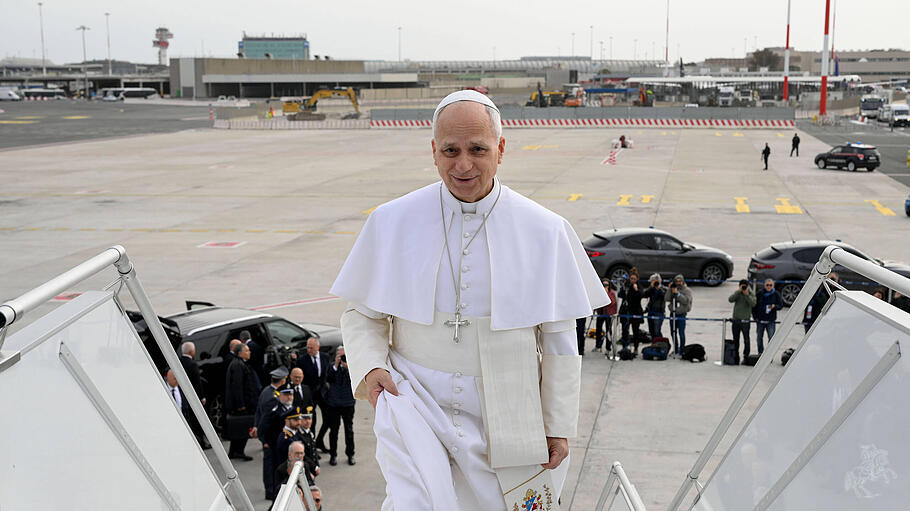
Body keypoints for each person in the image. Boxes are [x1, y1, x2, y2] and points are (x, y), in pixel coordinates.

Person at [330, 90, 608, 509]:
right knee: (415, 502)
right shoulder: (391, 220)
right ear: (434, 152)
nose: (463, 164)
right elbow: (362, 314)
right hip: (415, 395)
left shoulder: (545, 230)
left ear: (500, 149)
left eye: (477, 149)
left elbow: (559, 341)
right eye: (450, 150)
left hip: (512, 402)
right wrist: (371, 369)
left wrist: (557, 423)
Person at [256, 367, 289, 500]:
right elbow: (265, 421)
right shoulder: (272, 397)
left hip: (270, 437)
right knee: (270, 465)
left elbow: (258, 412)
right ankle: (270, 491)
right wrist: (264, 440)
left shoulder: (266, 391)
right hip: (270, 438)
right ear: (282, 381)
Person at [225, 342, 260, 461]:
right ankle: (238, 451)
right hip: (241, 404)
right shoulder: (238, 365)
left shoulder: (239, 364)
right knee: (242, 428)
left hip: (243, 402)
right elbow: (237, 386)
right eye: (247, 351)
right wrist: (241, 405)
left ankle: (234, 451)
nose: (249, 352)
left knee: (238, 427)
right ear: (240, 353)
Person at [297, 337, 330, 451]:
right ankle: (312, 446)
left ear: (318, 347)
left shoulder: (325, 357)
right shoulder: (302, 360)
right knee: (311, 422)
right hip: (310, 395)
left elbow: (326, 375)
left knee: (328, 419)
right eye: (308, 347)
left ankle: (319, 440)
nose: (309, 350)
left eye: (311, 348)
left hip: (322, 394)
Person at [325, 347, 356, 466]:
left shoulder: (352, 366)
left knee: (349, 430)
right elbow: (328, 379)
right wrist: (336, 366)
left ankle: (350, 454)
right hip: (334, 404)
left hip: (348, 403)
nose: (342, 357)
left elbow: (356, 381)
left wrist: (348, 367)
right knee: (334, 431)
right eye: (340, 355)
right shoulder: (332, 366)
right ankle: (333, 455)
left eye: (344, 355)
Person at [178, 342, 211, 449]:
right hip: (194, 396)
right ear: (192, 351)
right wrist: (202, 397)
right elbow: (197, 382)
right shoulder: (192, 364)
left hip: (182, 395)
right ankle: (202, 442)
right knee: (198, 420)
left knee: (190, 420)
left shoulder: (178, 362)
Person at [753, 279, 783, 355]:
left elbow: (780, 305)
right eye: (767, 285)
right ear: (764, 285)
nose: (769, 286)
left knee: (771, 338)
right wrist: (755, 317)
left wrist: (774, 306)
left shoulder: (776, 294)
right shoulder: (759, 293)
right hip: (760, 320)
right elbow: (754, 306)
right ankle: (760, 353)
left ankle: (769, 355)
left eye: (770, 285)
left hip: (770, 320)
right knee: (759, 338)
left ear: (773, 286)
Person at [729, 279, 757, 361]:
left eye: (745, 286)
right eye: (742, 286)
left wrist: (747, 295)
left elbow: (753, 304)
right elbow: (730, 299)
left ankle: (746, 356)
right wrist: (738, 291)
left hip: (745, 320)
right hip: (736, 320)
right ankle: (735, 355)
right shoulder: (737, 293)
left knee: (746, 339)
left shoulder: (751, 293)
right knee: (735, 339)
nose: (744, 288)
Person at [665, 275, 693, 357]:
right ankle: (676, 349)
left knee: (681, 332)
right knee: (673, 332)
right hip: (673, 313)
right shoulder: (672, 289)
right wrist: (669, 289)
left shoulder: (687, 290)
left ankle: (682, 349)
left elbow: (686, 301)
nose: (678, 283)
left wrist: (678, 294)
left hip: (681, 314)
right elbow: (666, 299)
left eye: (680, 281)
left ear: (683, 281)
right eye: (676, 281)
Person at [619, 269, 645, 353]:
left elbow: (641, 295)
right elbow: (620, 295)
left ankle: (636, 348)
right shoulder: (626, 285)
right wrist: (623, 288)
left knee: (635, 331)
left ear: (637, 279)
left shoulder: (639, 286)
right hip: (625, 310)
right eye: (631, 278)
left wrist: (636, 290)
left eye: (634, 279)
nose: (632, 280)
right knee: (624, 330)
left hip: (635, 311)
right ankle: (624, 346)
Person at [594, 280, 618, 353]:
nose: (605, 286)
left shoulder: (611, 293)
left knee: (608, 331)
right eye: (603, 285)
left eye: (606, 285)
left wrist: (606, 293)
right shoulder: (599, 292)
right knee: (598, 330)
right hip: (601, 313)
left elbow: (611, 302)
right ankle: (598, 346)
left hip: (608, 314)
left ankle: (608, 348)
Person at [643, 274, 666, 339]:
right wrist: (651, 287)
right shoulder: (651, 289)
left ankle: (660, 344)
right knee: (651, 331)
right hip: (650, 311)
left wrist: (659, 288)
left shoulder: (664, 289)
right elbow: (644, 295)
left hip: (659, 312)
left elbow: (665, 296)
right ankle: (654, 344)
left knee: (657, 331)